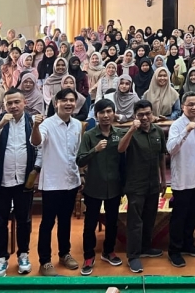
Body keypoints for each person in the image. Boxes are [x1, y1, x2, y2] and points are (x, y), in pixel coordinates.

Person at [0, 89, 39, 277]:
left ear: (24, 102)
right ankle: (1, 258)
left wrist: (35, 169)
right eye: (9, 103)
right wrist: (0, 126)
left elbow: (41, 147)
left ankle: (23, 254)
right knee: (0, 222)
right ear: (4, 105)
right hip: (2, 180)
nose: (13, 106)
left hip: (24, 179)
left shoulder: (32, 121)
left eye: (16, 102)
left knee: (24, 220)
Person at [31, 89, 82, 276]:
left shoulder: (77, 124)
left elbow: (76, 152)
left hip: (71, 180)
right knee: (47, 222)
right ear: (56, 103)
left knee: (65, 221)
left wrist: (80, 175)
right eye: (64, 100)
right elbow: (36, 142)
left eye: (71, 100)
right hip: (52, 182)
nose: (68, 103)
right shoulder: (46, 124)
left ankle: (64, 254)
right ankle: (44, 261)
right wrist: (35, 127)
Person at [117, 99, 167, 273]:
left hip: (154, 183)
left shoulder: (158, 131)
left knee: (150, 217)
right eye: (141, 115)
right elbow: (121, 149)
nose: (145, 117)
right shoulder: (131, 132)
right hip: (135, 185)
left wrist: (163, 180)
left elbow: (162, 156)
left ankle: (146, 247)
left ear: (152, 114)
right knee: (135, 222)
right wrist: (131, 129)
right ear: (135, 116)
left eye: (148, 114)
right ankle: (133, 256)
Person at [76, 99, 125, 275]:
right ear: (96, 115)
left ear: (114, 113)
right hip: (93, 187)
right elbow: (80, 160)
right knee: (90, 224)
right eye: (102, 112)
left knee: (112, 222)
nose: (106, 115)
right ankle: (89, 256)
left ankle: (108, 251)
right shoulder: (89, 135)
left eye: (109, 111)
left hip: (114, 186)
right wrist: (95, 150)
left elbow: (125, 161)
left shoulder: (120, 134)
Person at [167, 93, 195, 268]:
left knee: (193, 214)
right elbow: (171, 149)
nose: (194, 107)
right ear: (183, 106)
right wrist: (186, 131)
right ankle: (174, 250)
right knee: (180, 216)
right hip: (183, 179)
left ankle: (187, 243)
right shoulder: (177, 126)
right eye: (190, 104)